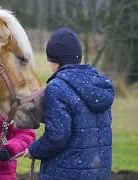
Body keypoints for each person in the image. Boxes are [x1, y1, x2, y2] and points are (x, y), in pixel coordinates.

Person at [24, 28, 114, 180]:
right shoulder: (98, 84)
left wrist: (34, 150)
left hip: (65, 173)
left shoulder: (57, 88)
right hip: (98, 173)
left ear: (56, 60)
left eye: (50, 60)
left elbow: (57, 136)